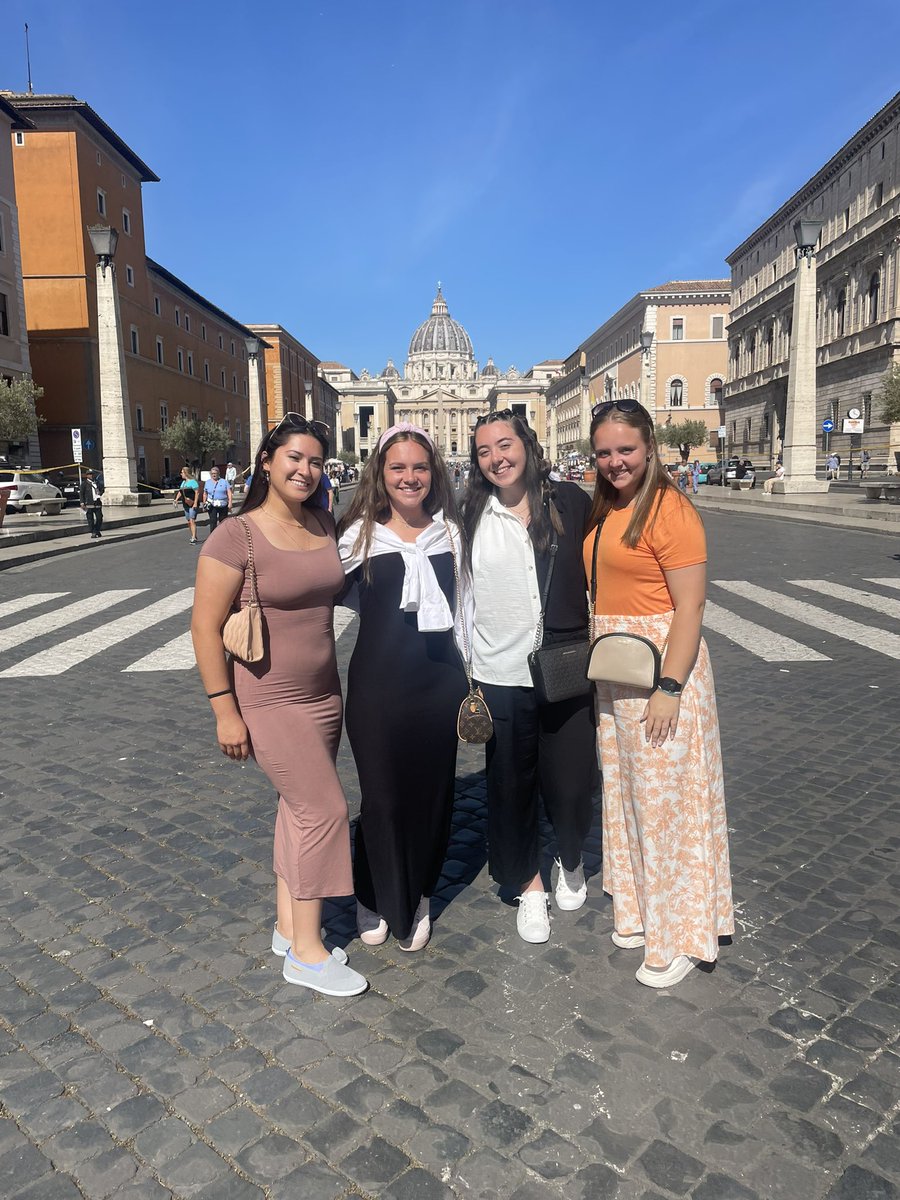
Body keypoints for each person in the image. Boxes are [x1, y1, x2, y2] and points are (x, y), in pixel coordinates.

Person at [191, 412, 367, 997]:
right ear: (266, 462)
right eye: (294, 457)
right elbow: (203, 627)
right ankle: (309, 954)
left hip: (324, 693)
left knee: (297, 809)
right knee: (324, 811)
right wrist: (224, 709)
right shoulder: (234, 535)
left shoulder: (321, 520)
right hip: (267, 698)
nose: (306, 469)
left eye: (316, 461)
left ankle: (288, 925)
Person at [585, 398, 733, 988]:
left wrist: (671, 686)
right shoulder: (610, 505)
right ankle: (645, 912)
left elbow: (691, 604)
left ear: (650, 447)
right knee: (630, 796)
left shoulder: (670, 509)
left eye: (626, 450)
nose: (615, 461)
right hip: (615, 668)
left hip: (662, 669)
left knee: (668, 803)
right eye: (605, 452)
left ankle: (680, 936)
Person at [462, 410, 596, 944]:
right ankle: (529, 884)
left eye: (505, 444)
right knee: (510, 785)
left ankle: (570, 855)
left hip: (566, 664)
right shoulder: (469, 514)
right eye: (484, 451)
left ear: (528, 445)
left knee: (571, 782)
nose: (497, 457)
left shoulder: (570, 502)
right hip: (500, 672)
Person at [337, 424, 467, 951]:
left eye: (419, 467)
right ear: (381, 474)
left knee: (432, 795)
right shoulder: (359, 536)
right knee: (382, 796)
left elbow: (469, 609)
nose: (409, 477)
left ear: (432, 474)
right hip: (377, 685)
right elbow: (307, 592)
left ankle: (417, 892)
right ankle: (371, 891)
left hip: (439, 685)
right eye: (398, 468)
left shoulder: (452, 535)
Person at [204, 466, 233, 533]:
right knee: (213, 521)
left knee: (223, 521)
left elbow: (229, 492)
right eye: (212, 473)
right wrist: (204, 502)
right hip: (212, 504)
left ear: (218, 474)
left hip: (223, 504)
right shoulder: (207, 482)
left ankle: (222, 534)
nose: (213, 475)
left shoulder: (224, 482)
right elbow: (205, 493)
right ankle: (213, 536)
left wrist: (230, 502)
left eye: (215, 473)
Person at [175, 467, 200, 544]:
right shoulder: (183, 483)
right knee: (189, 521)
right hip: (185, 503)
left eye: (182, 472)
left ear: (186, 473)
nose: (181, 474)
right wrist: (176, 499)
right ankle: (194, 535)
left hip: (192, 503)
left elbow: (197, 492)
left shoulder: (193, 482)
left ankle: (193, 538)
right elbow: (180, 492)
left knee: (192, 520)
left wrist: (195, 503)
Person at [80, 468, 103, 539]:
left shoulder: (97, 482)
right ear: (87, 475)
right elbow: (81, 494)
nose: (91, 476)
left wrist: (100, 492)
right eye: (89, 474)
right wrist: (82, 502)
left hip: (97, 503)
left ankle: (97, 529)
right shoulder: (84, 484)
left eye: (92, 474)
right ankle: (93, 531)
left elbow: (102, 489)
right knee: (90, 519)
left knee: (99, 518)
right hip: (89, 503)